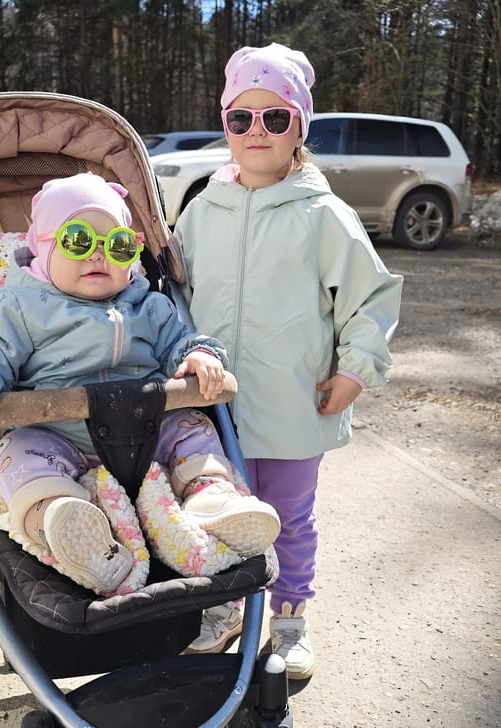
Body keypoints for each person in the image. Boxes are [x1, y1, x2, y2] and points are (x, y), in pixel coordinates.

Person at [0, 172, 280, 595]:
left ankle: (210, 499)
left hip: (148, 433)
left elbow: (179, 342)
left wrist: (199, 356)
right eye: (78, 241)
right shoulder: (19, 306)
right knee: (13, 456)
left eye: (119, 245)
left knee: (192, 428)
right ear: (43, 248)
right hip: (57, 438)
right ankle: (61, 520)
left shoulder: (149, 305)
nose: (98, 256)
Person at [174, 43, 403, 677]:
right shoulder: (200, 212)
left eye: (275, 118)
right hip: (212, 411)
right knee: (215, 514)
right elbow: (173, 297)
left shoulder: (323, 215)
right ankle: (220, 610)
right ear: (224, 125)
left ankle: (291, 619)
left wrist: (356, 370)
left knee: (289, 521)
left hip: (295, 405)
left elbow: (370, 297)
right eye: (240, 118)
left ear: (299, 127)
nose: (257, 132)